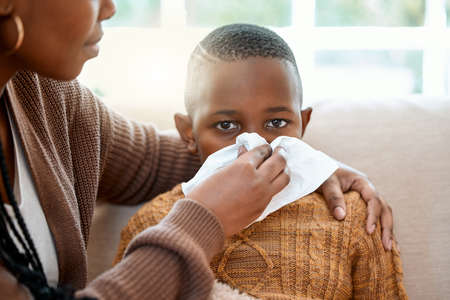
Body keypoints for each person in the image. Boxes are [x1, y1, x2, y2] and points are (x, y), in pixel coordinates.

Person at [0, 0, 393, 299]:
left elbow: (158, 159)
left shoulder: (48, 100)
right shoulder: (149, 222)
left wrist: (305, 164)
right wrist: (203, 220)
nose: (110, 7)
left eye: (278, 121)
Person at [115, 24, 406, 299]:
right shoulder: (153, 225)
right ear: (188, 133)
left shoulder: (354, 216)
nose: (256, 145)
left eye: (277, 122)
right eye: (227, 126)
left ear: (303, 124)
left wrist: (317, 168)